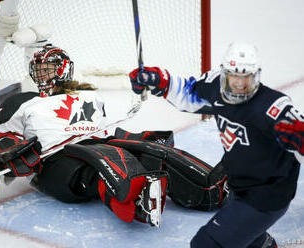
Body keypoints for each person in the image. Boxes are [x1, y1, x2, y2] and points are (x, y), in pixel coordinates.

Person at [0, 44, 229, 228]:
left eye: (47, 69)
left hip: (98, 145)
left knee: (153, 154)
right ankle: (138, 200)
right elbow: (3, 135)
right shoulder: (22, 100)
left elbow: (104, 133)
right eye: (38, 70)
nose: (42, 75)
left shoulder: (88, 97)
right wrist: (12, 152)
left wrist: (139, 141)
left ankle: (212, 188)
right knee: (105, 156)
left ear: (63, 69)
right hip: (56, 161)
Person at [129, 42, 304, 247]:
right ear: (224, 74)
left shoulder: (273, 107)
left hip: (266, 196)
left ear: (256, 76)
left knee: (206, 244)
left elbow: (298, 136)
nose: (239, 84)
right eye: (234, 76)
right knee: (246, 236)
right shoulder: (214, 86)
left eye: (246, 77)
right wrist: (160, 81)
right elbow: (189, 94)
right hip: (239, 185)